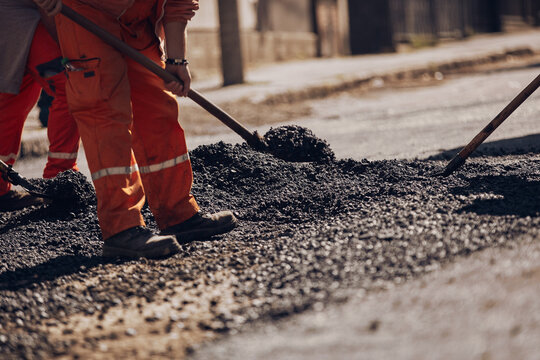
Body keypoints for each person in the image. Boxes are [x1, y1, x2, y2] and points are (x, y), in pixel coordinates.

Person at [33, 0, 238, 259]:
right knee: (104, 112)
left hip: (139, 17)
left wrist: (177, 59)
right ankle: (122, 227)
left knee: (157, 107)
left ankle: (177, 214)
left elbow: (179, 3)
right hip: (84, 8)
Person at [0, 0, 80, 212]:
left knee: (14, 98)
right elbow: (47, 6)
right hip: (25, 19)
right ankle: (60, 176)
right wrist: (65, 47)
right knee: (71, 87)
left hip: (17, 21)